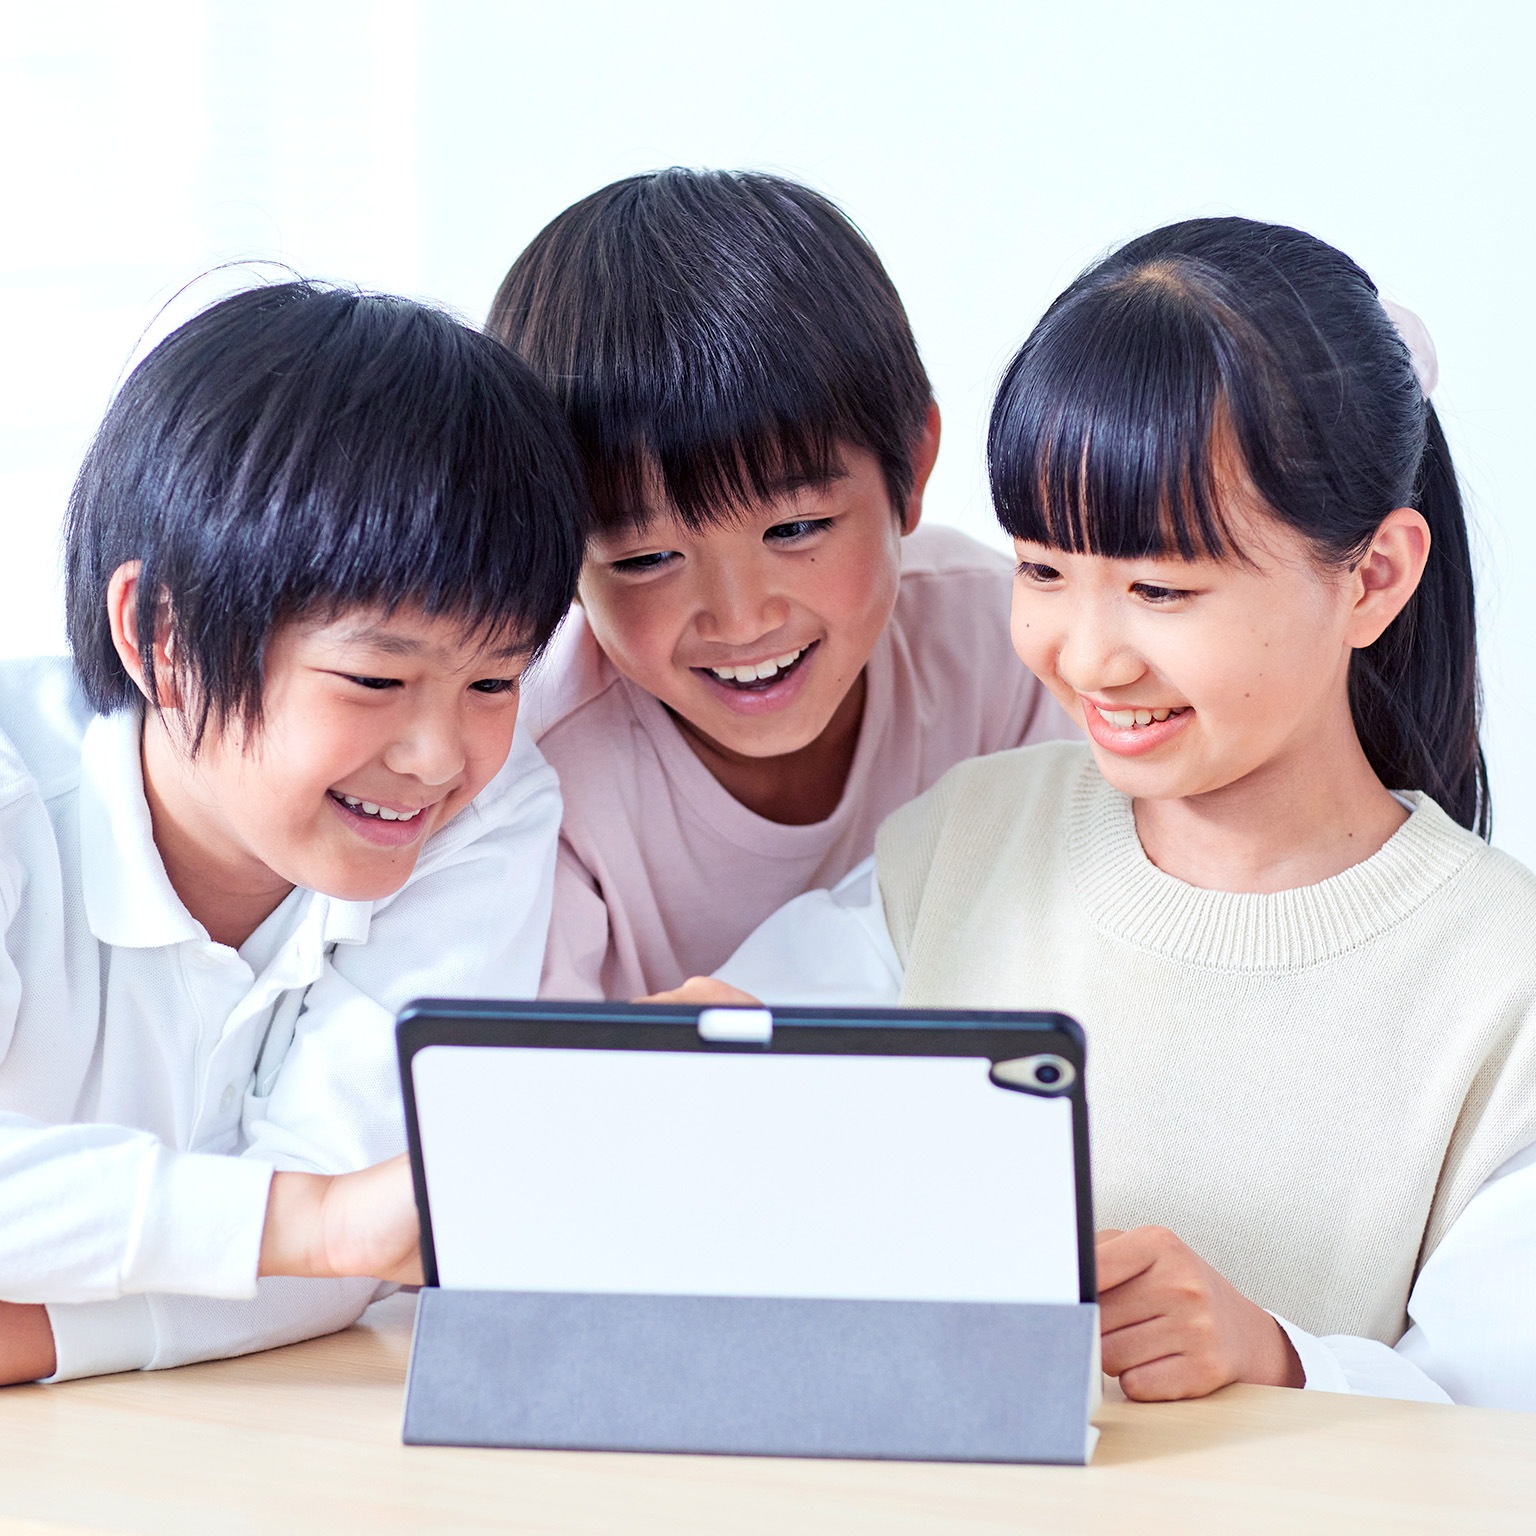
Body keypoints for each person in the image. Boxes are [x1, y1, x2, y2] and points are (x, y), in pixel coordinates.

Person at [701, 218, 1536, 1409]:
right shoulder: (965, 845)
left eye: (1159, 587)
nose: (1087, 655)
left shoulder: (1506, 981)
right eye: (1042, 569)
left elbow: (1503, 1427)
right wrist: (683, 1069)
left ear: (1375, 577)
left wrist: (1282, 1359)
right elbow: (736, 1072)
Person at [0, 280, 590, 1383]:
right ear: (160, 635)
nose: (439, 755)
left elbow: (362, 1243)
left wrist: (46, 1334)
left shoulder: (492, 815)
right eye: (376, 676)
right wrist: (311, 1222)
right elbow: (343, 1225)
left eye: (496, 678)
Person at [487, 168, 1072, 1000]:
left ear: (911, 472)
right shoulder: (526, 769)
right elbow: (529, 1099)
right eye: (645, 559)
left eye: (794, 530)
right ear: (557, 561)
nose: (741, 617)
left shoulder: (1005, 641)